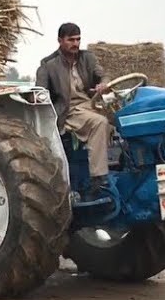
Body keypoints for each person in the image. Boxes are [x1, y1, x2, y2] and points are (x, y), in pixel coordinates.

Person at [35, 22, 112, 199]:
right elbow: (40, 92)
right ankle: (99, 177)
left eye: (78, 39)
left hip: (90, 104)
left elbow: (102, 75)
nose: (75, 44)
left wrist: (103, 84)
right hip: (68, 110)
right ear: (60, 41)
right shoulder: (48, 65)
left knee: (122, 116)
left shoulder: (87, 58)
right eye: (71, 40)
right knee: (99, 122)